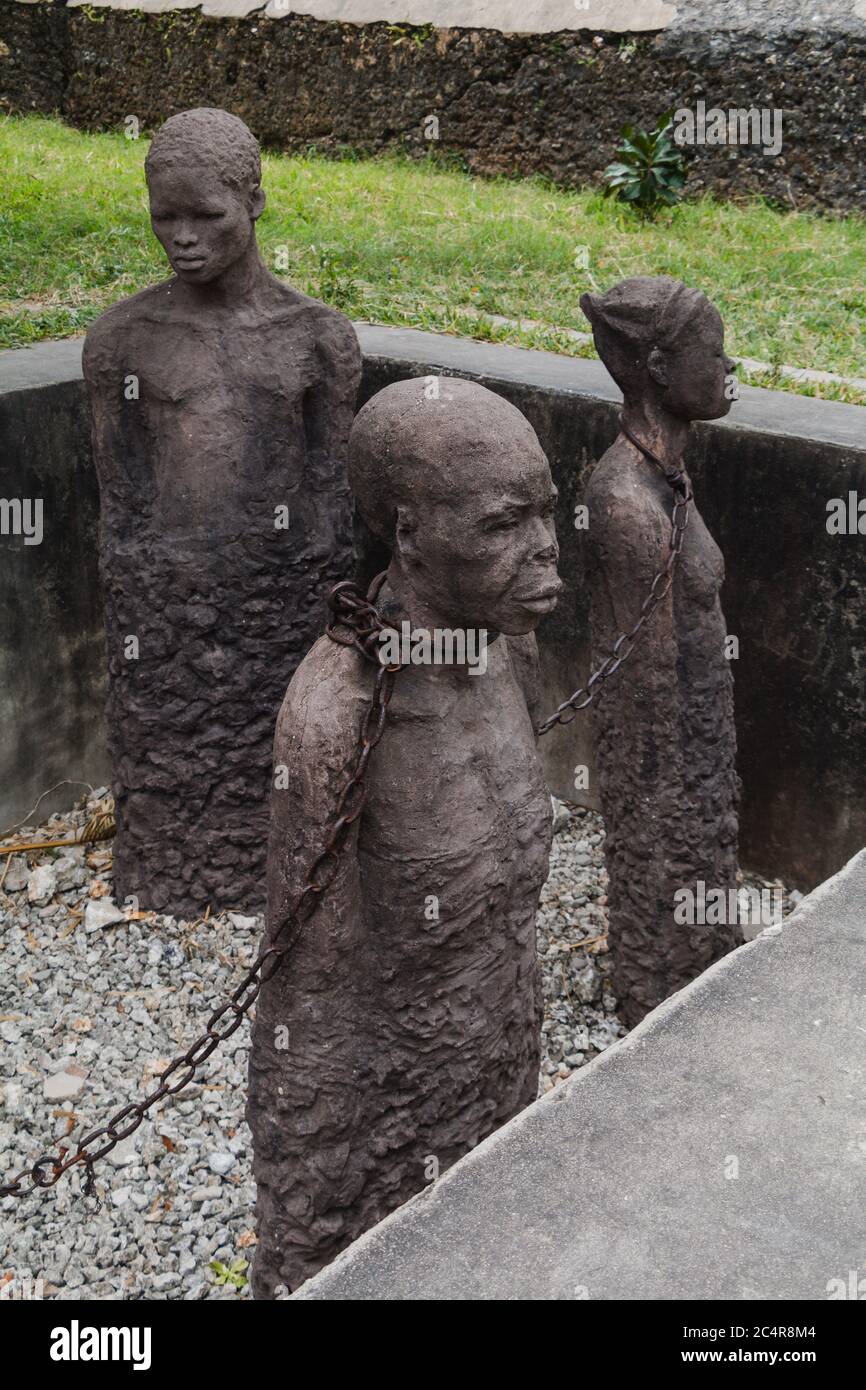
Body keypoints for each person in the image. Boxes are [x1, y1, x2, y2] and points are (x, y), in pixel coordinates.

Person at [247, 375, 562, 1295]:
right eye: (505, 524)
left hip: (500, 1068)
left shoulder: (509, 650)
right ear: (411, 532)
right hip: (388, 1119)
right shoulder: (334, 719)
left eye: (545, 512)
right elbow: (307, 1003)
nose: (545, 548)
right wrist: (317, 1217)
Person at [83, 108, 360, 917]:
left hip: (279, 606)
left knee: (281, 759)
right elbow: (123, 505)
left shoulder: (317, 340)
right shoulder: (122, 342)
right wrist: (159, 613)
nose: (183, 237)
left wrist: (297, 608)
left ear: (255, 203)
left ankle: (287, 876)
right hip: (167, 615)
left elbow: (330, 505)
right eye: (164, 215)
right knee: (170, 759)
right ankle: (168, 871)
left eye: (207, 215)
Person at [581, 276, 741, 1026]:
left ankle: (700, 960)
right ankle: (663, 986)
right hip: (669, 765)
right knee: (671, 898)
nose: (728, 364)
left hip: (702, 754)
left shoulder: (670, 475)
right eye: (712, 351)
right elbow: (646, 699)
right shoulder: (625, 504)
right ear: (656, 368)